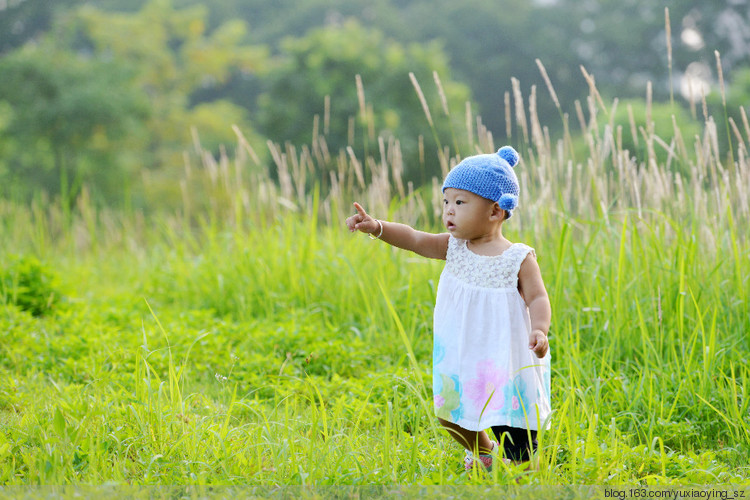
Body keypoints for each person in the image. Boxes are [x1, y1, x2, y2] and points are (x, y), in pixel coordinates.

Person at [345, 146, 551, 471]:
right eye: (446, 202)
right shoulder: (453, 247)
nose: (448, 211)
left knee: (514, 432)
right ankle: (484, 454)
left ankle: (522, 477)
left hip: (505, 358)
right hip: (460, 353)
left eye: (459, 202)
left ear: (495, 211)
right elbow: (414, 238)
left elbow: (538, 298)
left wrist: (539, 329)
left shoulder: (518, 258)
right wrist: (377, 227)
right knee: (451, 415)